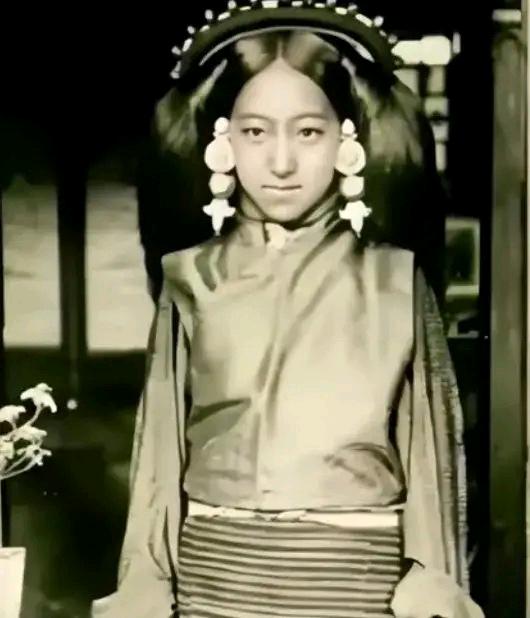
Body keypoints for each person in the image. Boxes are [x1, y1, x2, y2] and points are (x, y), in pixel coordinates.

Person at [93, 4, 483, 618]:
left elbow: (432, 454)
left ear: (346, 139)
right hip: (216, 583)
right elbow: (158, 458)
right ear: (223, 140)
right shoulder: (188, 278)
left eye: (307, 133)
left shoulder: (395, 281)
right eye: (256, 132)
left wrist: (430, 577)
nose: (281, 162)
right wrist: (147, 575)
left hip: (356, 587)